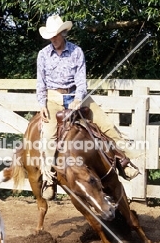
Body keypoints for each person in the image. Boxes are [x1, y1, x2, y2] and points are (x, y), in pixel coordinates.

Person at [36, 14, 139, 199]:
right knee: (48, 138)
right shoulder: (43, 55)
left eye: (56, 35)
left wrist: (77, 98)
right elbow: (40, 83)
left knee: (106, 125)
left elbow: (81, 82)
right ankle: (49, 178)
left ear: (63, 33)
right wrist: (42, 103)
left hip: (76, 94)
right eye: (51, 36)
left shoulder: (76, 52)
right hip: (53, 98)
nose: (54, 39)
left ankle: (125, 162)